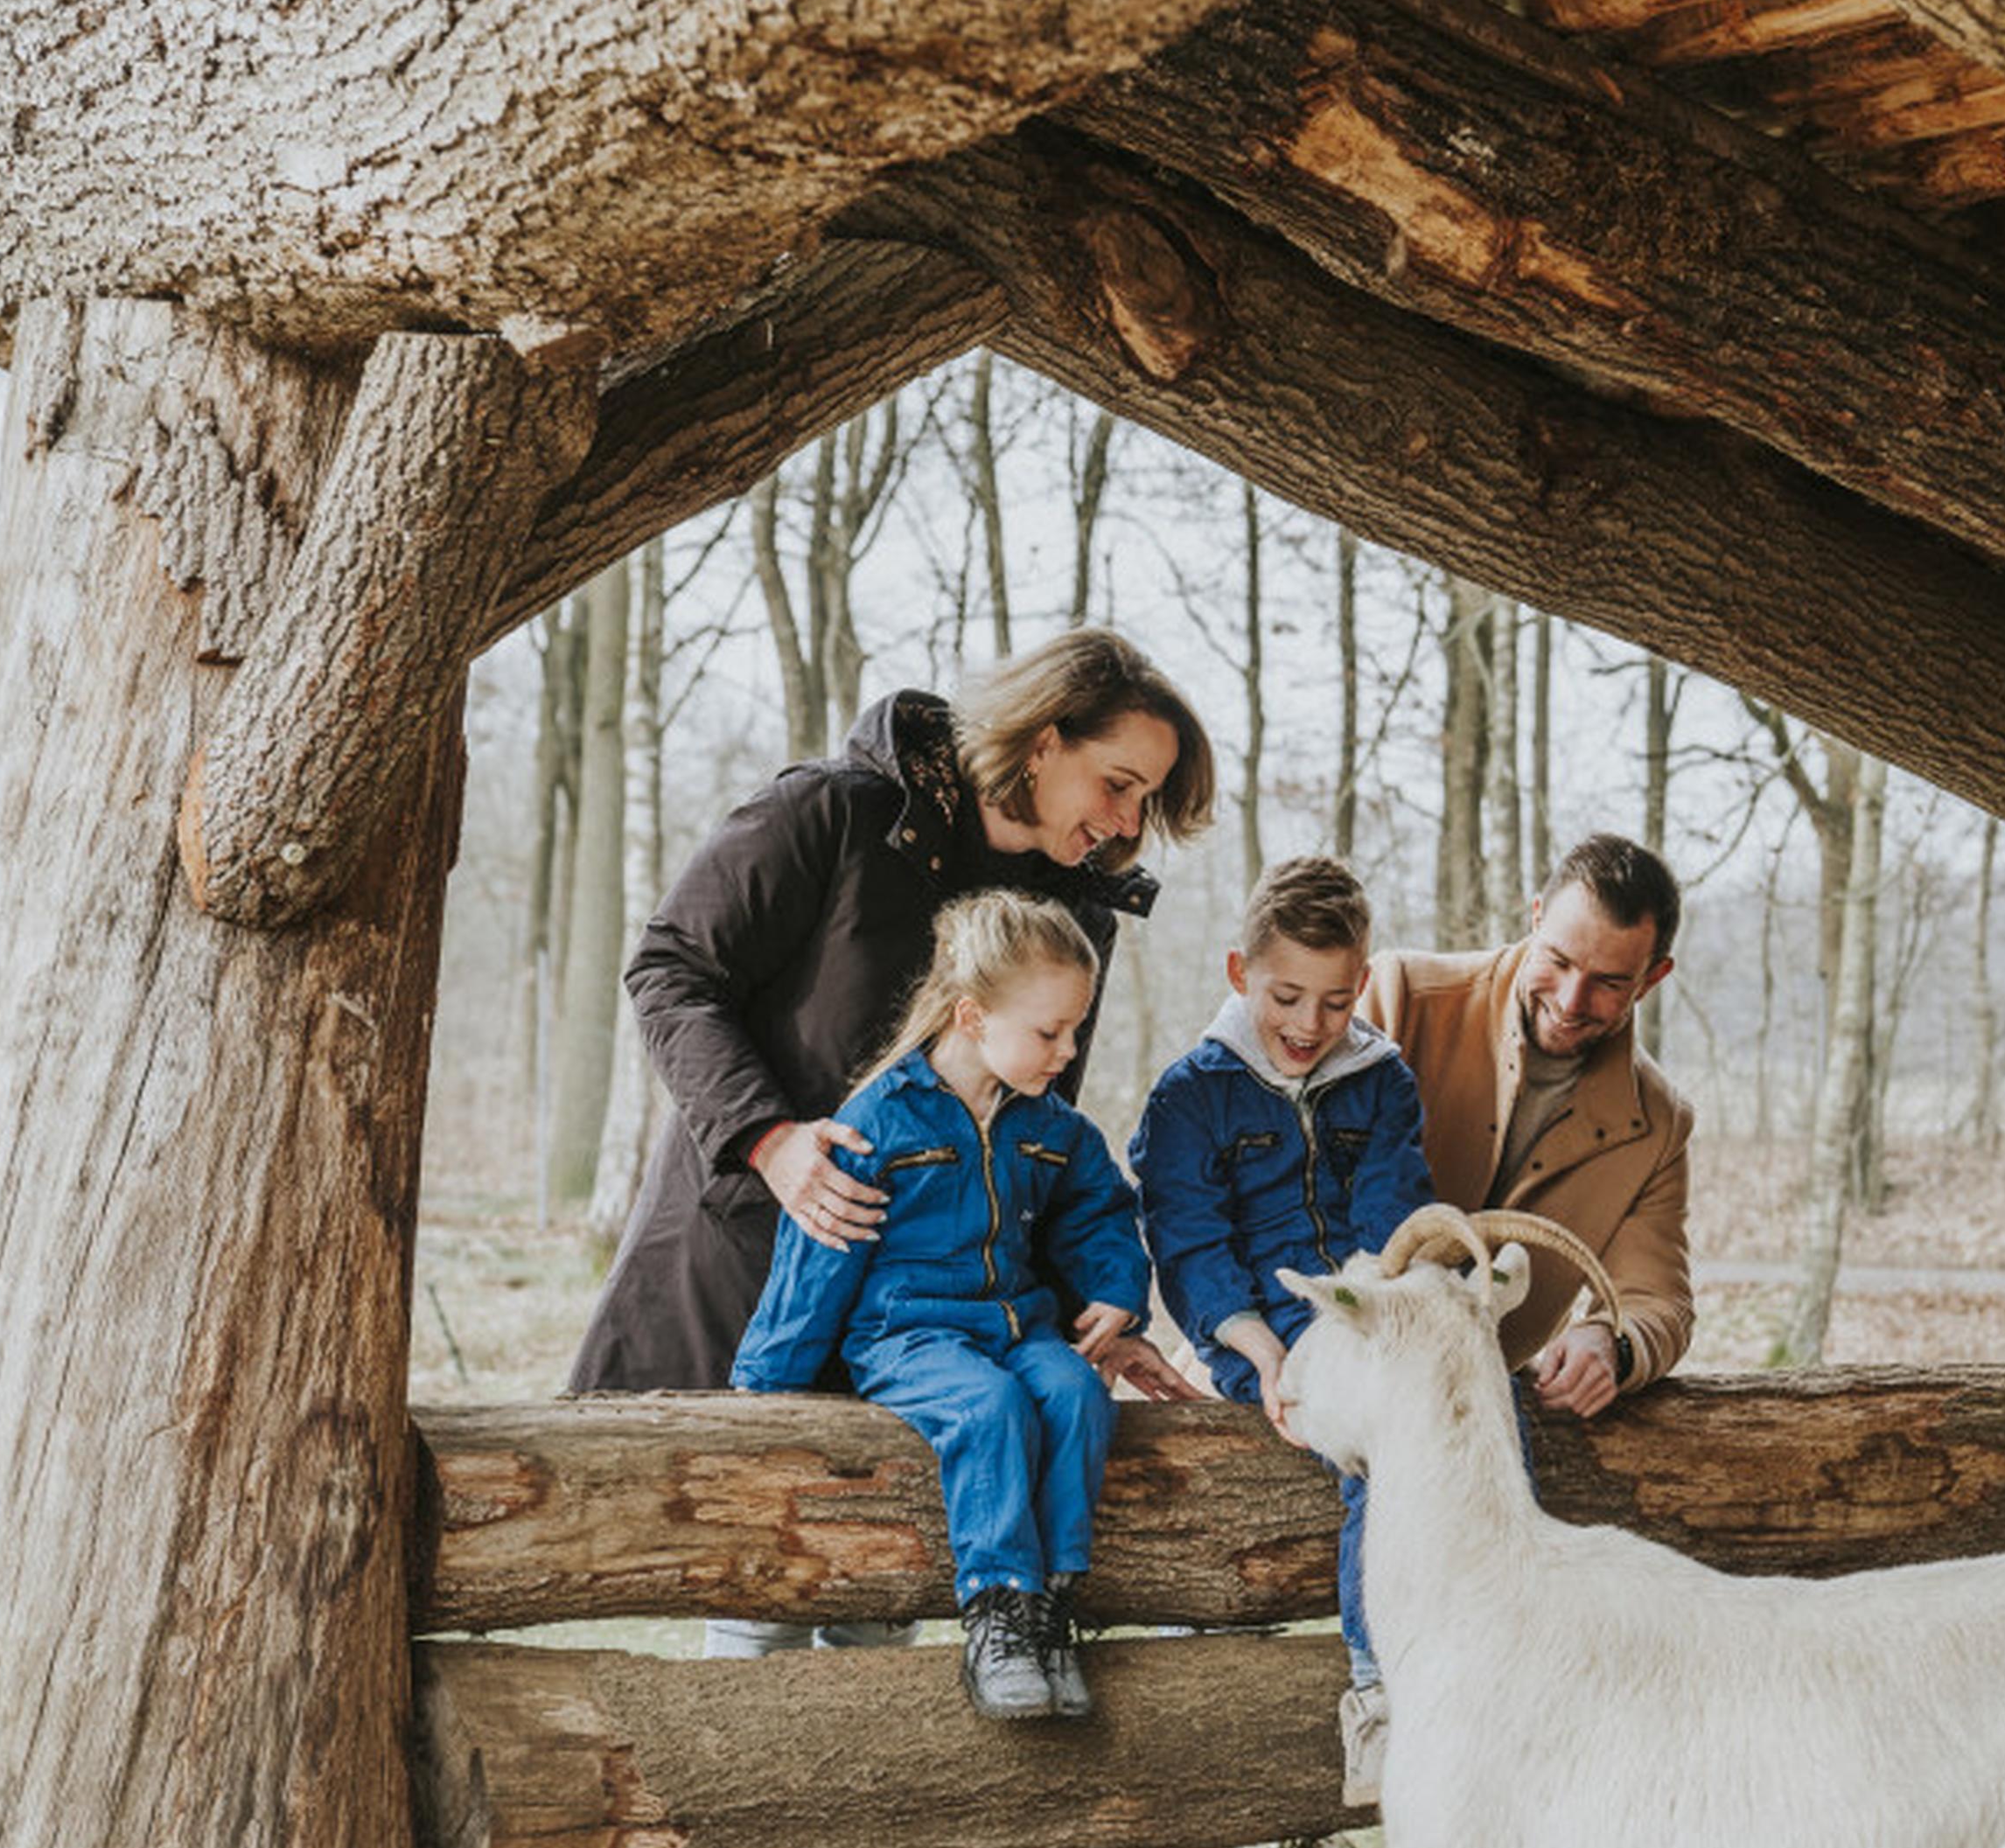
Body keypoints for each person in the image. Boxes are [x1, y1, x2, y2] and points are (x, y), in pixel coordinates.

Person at [569, 628, 1211, 1656]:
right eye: (1119, 783)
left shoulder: (1075, 904)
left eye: (1146, 803)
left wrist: (1090, 1303)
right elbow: (670, 968)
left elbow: (1029, 1136)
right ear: (1043, 742)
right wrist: (770, 1138)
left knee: (884, 1597)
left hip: (944, 1332)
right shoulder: (832, 814)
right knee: (764, 1584)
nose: (1128, 822)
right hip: (768, 1269)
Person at [732, 892, 1156, 1720]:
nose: (1067, 1052)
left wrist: (1117, 1292)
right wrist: (765, 1383)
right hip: (908, 1336)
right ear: (971, 1014)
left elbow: (1100, 1209)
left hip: (1014, 1325)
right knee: (987, 1407)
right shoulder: (880, 1120)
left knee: (1071, 1391)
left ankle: (1050, 1609)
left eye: (1074, 1030)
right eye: (1049, 1032)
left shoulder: (1051, 1127)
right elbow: (819, 1250)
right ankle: (996, 1609)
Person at [1349, 833, 1697, 1793]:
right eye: (1560, 961)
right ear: (1533, 917)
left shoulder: (1659, 1120)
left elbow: (1656, 1296)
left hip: (1474, 1427)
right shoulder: (1398, 996)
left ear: (1653, 976)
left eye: (1610, 983)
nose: (1574, 1000)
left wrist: (1610, 1340)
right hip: (1330, 1365)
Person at [1128, 855, 1436, 1773]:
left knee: (1475, 1409)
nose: (1310, 1024)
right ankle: (1380, 1684)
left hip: (1371, 1308)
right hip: (1258, 1321)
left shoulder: (1384, 1080)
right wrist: (1264, 1353)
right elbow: (1188, 1243)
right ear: (1240, 974)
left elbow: (1394, 1214)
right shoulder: (1193, 1093)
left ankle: (1491, 1640)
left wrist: (1381, 1316)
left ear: (1363, 987)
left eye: (1336, 1002)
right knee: (1376, 1444)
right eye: (1288, 996)